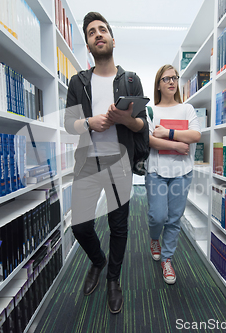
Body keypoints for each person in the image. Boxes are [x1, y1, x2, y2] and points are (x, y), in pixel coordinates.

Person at [63, 11, 148, 314]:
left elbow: (142, 127)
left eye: (102, 30)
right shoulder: (78, 81)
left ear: (113, 38)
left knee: (119, 226)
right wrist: (89, 122)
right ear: (88, 44)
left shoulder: (131, 80)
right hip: (87, 161)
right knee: (80, 226)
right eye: (91, 33)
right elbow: (68, 122)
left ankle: (114, 279)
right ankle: (98, 261)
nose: (97, 34)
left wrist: (127, 119)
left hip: (119, 162)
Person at [145, 64, 201, 284]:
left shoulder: (187, 109)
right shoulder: (151, 111)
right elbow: (149, 140)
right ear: (158, 84)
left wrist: (168, 133)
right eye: (166, 79)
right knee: (157, 216)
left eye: (174, 78)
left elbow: (195, 135)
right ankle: (153, 239)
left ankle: (167, 259)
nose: (171, 82)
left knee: (174, 218)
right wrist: (178, 144)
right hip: (156, 170)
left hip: (182, 171)